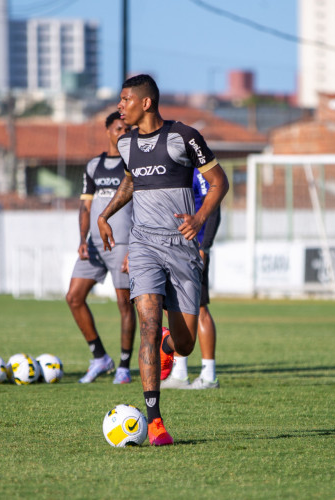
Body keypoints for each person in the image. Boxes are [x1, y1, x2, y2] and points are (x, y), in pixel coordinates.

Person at [98, 75, 229, 445]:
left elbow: (219, 182)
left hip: (182, 246)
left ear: (146, 103)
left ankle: (171, 348)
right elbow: (130, 183)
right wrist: (104, 214)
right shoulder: (126, 143)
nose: (120, 106)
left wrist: (199, 220)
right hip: (143, 246)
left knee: (184, 344)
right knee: (149, 326)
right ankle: (155, 422)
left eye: (125, 100)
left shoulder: (184, 136)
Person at [66, 111, 136, 384]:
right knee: (73, 297)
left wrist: (135, 247)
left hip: (123, 243)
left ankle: (124, 366)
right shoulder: (94, 166)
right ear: (108, 131)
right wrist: (82, 239)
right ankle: (99, 357)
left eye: (128, 129)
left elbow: (142, 207)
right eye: (119, 128)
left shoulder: (136, 164)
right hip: (94, 244)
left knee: (124, 304)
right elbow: (85, 206)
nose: (123, 133)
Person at [161, 168, 221, 389]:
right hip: (172, 248)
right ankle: (180, 371)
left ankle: (209, 375)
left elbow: (212, 209)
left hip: (194, 249)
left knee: (200, 308)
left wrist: (204, 246)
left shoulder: (200, 170)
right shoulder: (171, 164)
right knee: (173, 308)